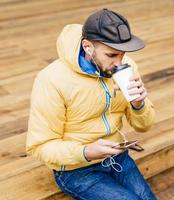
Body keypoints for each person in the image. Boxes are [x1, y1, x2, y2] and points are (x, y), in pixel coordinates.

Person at [26, 8, 156, 200]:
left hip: (117, 157)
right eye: (111, 55)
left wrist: (138, 105)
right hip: (76, 170)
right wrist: (85, 152)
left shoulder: (126, 66)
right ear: (87, 47)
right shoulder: (51, 80)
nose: (119, 62)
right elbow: (40, 146)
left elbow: (144, 126)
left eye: (123, 54)